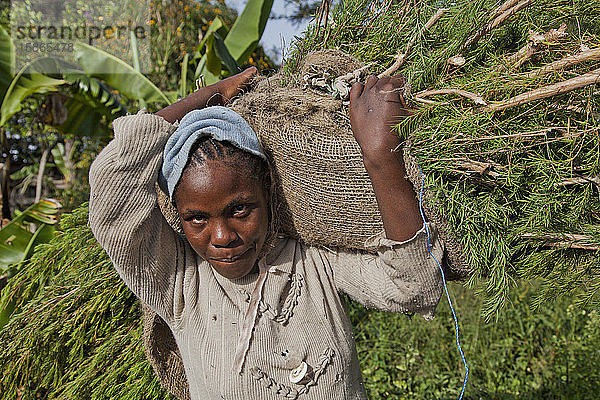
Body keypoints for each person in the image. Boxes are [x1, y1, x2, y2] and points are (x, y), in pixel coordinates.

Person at [88, 67, 443, 400]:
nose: (223, 235)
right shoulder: (181, 286)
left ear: (267, 189)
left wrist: (381, 155)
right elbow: (110, 185)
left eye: (239, 209)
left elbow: (415, 288)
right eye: (197, 219)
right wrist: (210, 96)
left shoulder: (312, 259)